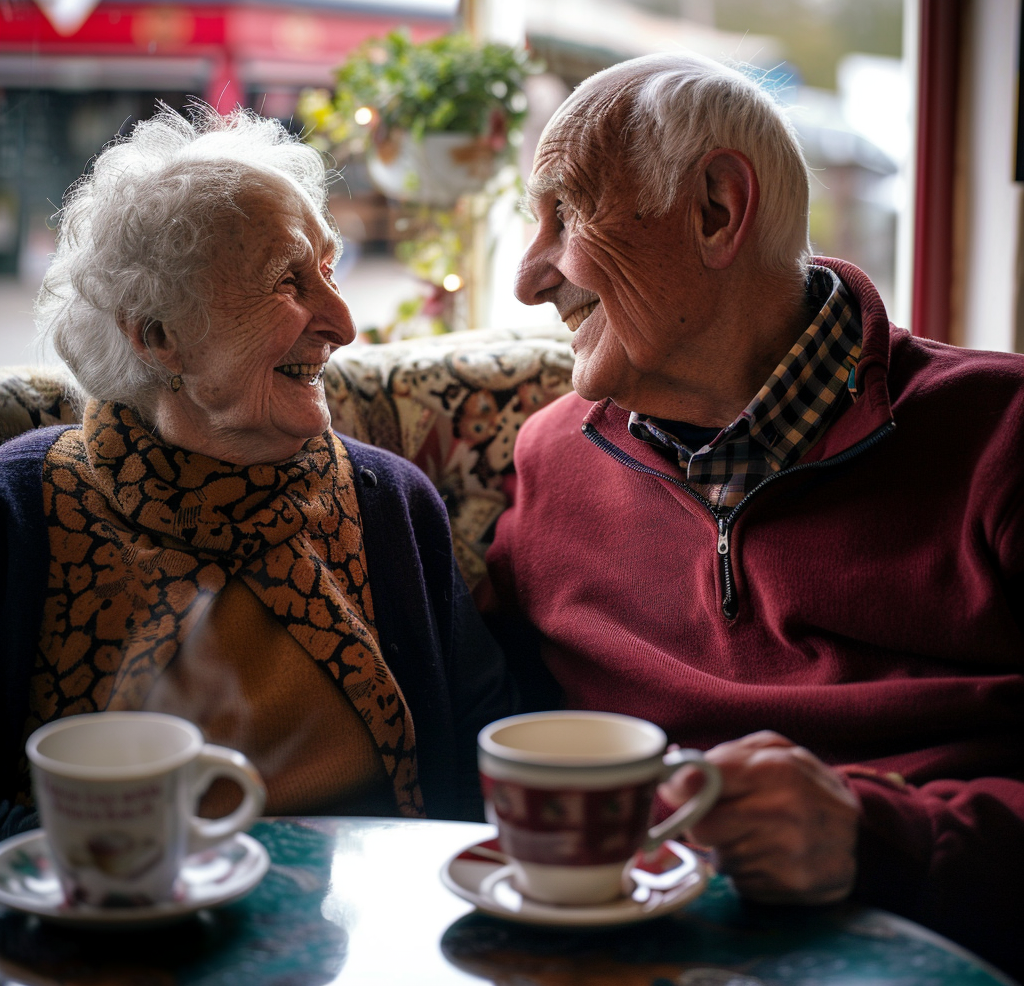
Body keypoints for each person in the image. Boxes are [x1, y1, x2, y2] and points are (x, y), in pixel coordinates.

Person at [485, 51, 1023, 978]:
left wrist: (882, 838)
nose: (530, 279)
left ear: (716, 212)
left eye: (567, 215)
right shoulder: (548, 463)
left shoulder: (1003, 437)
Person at [0, 103, 516, 837]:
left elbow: (481, 757)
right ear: (157, 336)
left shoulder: (392, 504)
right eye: (288, 281)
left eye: (329, 270)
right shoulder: (22, 508)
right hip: (110, 928)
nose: (343, 321)